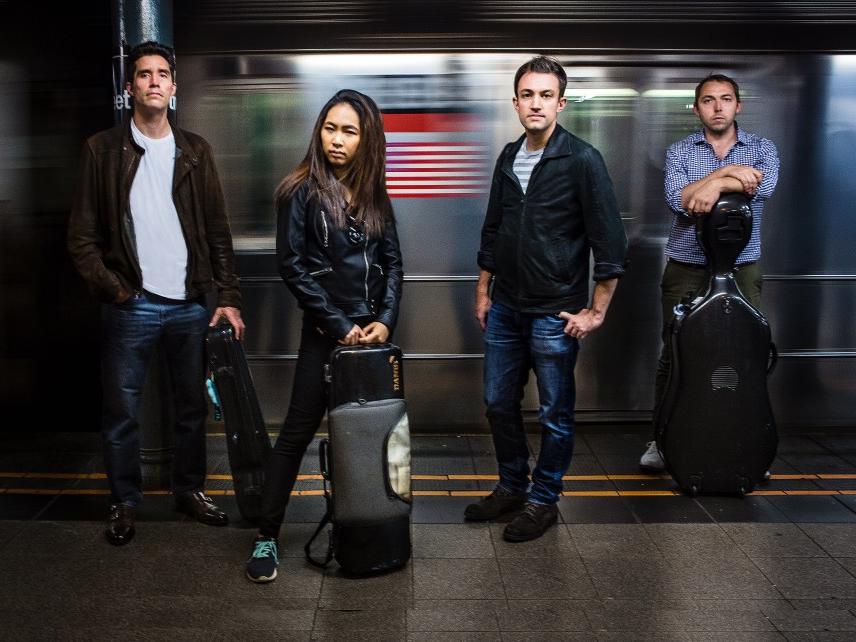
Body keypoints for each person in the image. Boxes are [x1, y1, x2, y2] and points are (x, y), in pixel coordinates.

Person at [67, 41, 244, 545]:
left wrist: (227, 297)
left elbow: (217, 231)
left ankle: (189, 492)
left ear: (173, 87)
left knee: (190, 408)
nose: (153, 82)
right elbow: (81, 238)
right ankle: (124, 502)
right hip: (133, 305)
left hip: (190, 303)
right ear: (130, 89)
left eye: (162, 74)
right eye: (143, 74)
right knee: (122, 411)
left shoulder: (195, 151)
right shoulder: (101, 150)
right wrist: (116, 291)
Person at [245, 89, 403, 582]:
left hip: (373, 342)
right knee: (294, 435)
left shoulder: (375, 194)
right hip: (325, 336)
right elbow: (293, 269)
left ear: (367, 139)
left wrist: (385, 320)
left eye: (349, 131)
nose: (336, 139)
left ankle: (368, 530)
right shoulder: (300, 192)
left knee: (371, 437)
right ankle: (266, 536)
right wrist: (339, 325)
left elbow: (394, 263)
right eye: (330, 128)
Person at [468, 56, 628, 542]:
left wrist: (595, 311)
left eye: (545, 95)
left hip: (554, 311)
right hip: (506, 307)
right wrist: (482, 288)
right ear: (515, 102)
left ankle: (544, 499)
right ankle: (513, 485)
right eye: (527, 95)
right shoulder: (507, 156)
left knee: (554, 413)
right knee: (498, 403)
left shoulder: (581, 159)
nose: (535, 104)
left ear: (560, 103)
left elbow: (610, 242)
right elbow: (493, 228)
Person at [639, 73, 779, 472]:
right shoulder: (680, 150)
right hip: (686, 267)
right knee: (676, 354)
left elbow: (760, 189)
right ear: (696, 107)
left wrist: (705, 187)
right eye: (708, 100)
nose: (718, 107)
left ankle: (748, 440)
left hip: (743, 267)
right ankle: (662, 440)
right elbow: (679, 201)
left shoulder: (764, 149)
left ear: (738, 105)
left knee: (746, 353)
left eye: (726, 99)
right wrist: (729, 173)